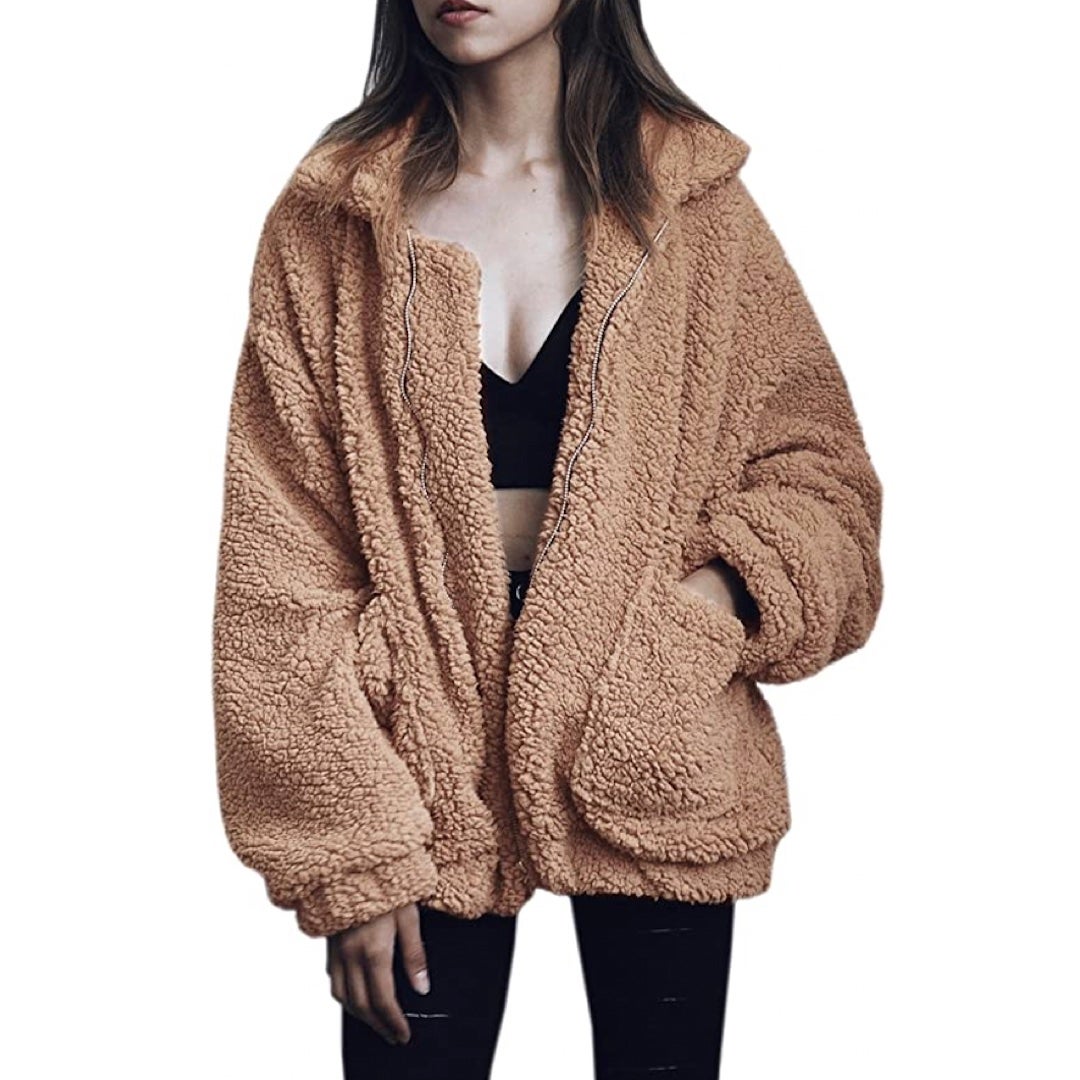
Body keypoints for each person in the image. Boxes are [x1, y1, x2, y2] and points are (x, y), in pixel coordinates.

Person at [210, 1, 885, 1076]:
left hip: (646, 725)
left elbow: (825, 484)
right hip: (415, 753)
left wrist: (702, 612)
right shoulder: (335, 219)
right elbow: (277, 560)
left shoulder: (691, 206)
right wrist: (347, 851)